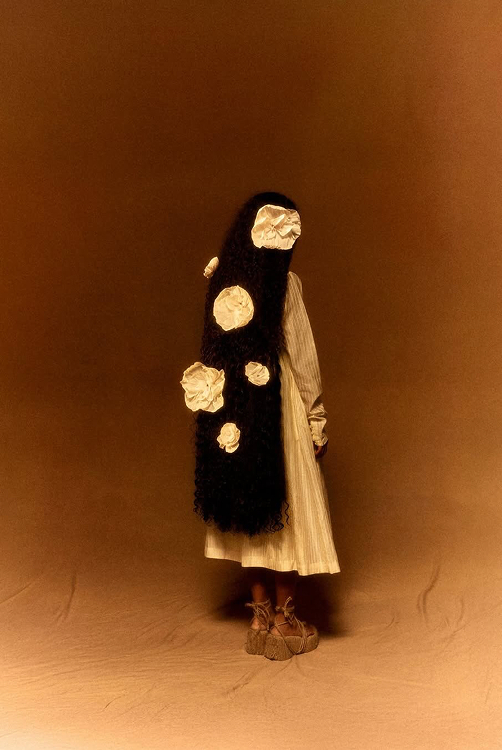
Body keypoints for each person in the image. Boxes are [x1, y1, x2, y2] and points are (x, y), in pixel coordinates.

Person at [180, 191, 340, 660]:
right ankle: (285, 624)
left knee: (251, 507)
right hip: (278, 407)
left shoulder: (221, 281)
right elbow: (303, 359)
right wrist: (316, 419)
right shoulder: (285, 285)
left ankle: (259, 617)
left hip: (238, 406)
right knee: (285, 512)